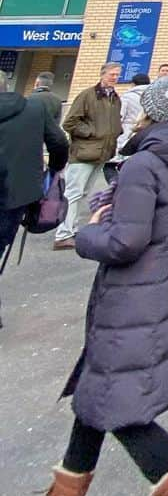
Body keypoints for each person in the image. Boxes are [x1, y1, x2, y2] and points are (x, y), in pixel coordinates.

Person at [15, 77, 168, 496]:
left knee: (122, 409)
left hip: (132, 302)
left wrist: (89, 233)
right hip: (160, 294)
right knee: (93, 404)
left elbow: (126, 240)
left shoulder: (145, 165)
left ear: (153, 114)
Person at [1, 78, 67, 326]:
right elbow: (59, 143)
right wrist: (53, 172)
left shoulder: (34, 107)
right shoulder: (34, 109)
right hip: (15, 192)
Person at [55, 62, 123, 249]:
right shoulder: (88, 95)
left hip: (102, 153)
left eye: (117, 75)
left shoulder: (115, 98)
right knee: (73, 193)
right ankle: (62, 234)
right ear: (102, 74)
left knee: (82, 193)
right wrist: (92, 132)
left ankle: (71, 228)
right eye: (112, 74)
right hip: (84, 153)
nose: (115, 78)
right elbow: (69, 122)